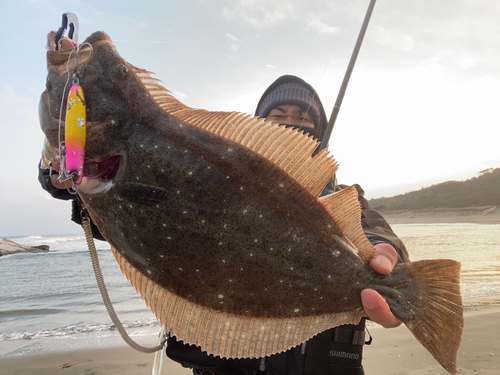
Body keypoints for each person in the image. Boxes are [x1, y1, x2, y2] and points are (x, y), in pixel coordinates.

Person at [38, 75, 409, 375]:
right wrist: (58, 165)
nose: (291, 123)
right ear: (258, 128)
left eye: (303, 120)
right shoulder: (200, 181)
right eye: (278, 115)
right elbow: (127, 215)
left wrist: (386, 256)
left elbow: (376, 234)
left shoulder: (344, 199)